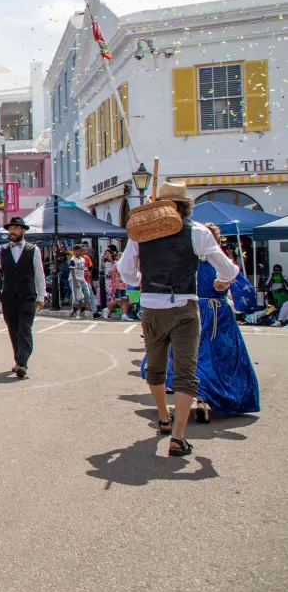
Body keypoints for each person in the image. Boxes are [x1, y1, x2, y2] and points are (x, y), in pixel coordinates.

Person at [117, 183, 240, 457]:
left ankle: (163, 415)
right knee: (185, 372)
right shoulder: (197, 231)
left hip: (151, 307)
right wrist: (222, 281)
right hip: (184, 306)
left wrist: (140, 281)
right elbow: (228, 268)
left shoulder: (141, 232)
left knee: (156, 367)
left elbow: (125, 270)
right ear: (186, 206)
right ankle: (178, 437)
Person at [139, 223, 260, 416]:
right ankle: (203, 397)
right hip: (205, 311)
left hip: (208, 312)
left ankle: (206, 397)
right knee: (206, 356)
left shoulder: (202, 261)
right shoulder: (205, 262)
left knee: (209, 356)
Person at [0, 216, 45, 379]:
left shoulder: (33, 250)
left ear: (23, 230)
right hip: (9, 295)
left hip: (27, 296)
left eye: (15, 228)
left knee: (25, 328)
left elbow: (39, 274)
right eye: (10, 229)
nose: (12, 231)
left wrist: (41, 296)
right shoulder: (2, 250)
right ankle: (18, 359)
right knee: (13, 328)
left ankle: (22, 363)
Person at [68, 244, 92, 319]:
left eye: (82, 251)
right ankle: (74, 313)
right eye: (80, 251)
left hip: (82, 279)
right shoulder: (72, 260)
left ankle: (82, 312)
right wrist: (75, 282)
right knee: (76, 298)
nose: (82, 252)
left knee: (87, 296)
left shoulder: (83, 259)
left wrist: (86, 274)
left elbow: (83, 269)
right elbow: (72, 272)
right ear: (75, 251)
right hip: (75, 280)